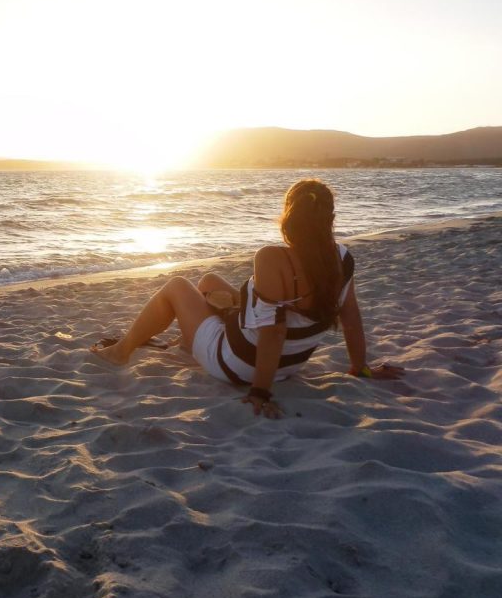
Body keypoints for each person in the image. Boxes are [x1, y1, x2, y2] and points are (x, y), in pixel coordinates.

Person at [91, 178, 404, 418]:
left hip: (238, 366)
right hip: (289, 365)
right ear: (329, 218)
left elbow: (273, 331)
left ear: (289, 216)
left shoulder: (272, 258)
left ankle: (121, 351)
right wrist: (360, 367)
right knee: (209, 281)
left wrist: (260, 392)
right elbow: (350, 316)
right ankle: (187, 344)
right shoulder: (341, 260)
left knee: (176, 285)